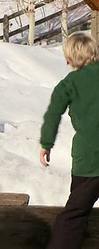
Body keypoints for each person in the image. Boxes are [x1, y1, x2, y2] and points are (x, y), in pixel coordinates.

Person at [40, 32, 99, 249]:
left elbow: (53, 114)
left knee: (74, 216)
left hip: (88, 161)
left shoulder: (70, 82)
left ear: (70, 59)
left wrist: (46, 144)